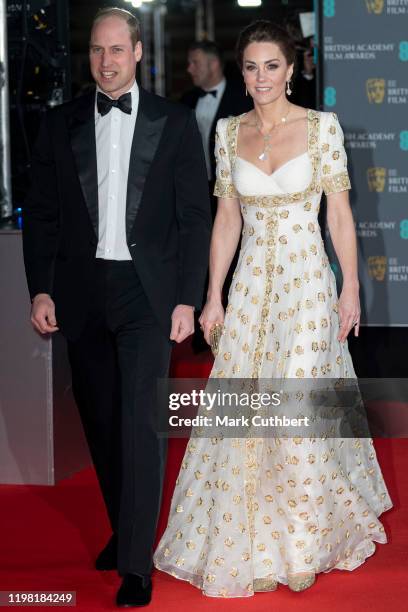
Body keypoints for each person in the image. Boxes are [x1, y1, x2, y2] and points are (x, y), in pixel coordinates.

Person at [154, 20, 392, 597]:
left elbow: (338, 214)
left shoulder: (321, 128)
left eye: (272, 66)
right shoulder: (229, 132)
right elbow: (227, 222)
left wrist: (350, 286)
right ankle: (259, 534)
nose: (261, 77)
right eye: (252, 67)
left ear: (291, 70)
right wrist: (214, 295)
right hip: (253, 288)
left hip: (309, 286)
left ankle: (305, 540)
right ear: (243, 71)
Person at [23, 7, 211, 608]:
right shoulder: (60, 124)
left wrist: (188, 296)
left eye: (115, 50)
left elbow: (193, 218)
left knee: (141, 423)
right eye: (96, 51)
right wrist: (41, 287)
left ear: (137, 53)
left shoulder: (175, 123)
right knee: (102, 424)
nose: (105, 62)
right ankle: (123, 528)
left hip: (146, 295)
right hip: (81, 293)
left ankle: (136, 563)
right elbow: (44, 215)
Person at [181, 40, 253, 218]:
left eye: (195, 63)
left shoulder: (243, 99)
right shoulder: (186, 101)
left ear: (213, 64)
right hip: (195, 191)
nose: (189, 69)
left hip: (234, 192)